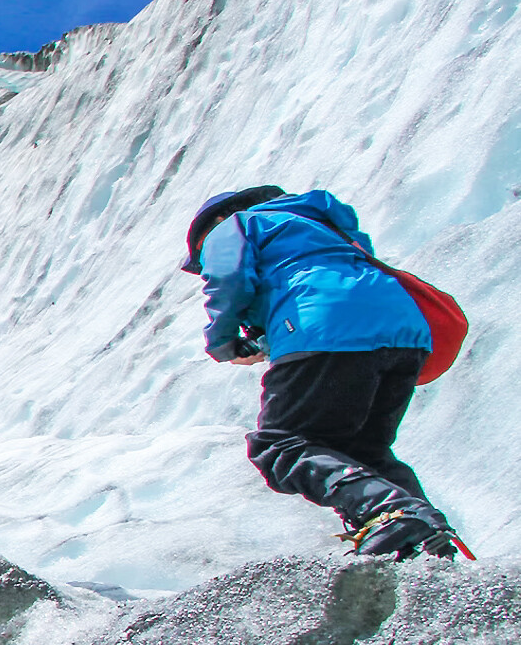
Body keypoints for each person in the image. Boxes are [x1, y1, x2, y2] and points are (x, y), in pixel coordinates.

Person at [181, 186, 456, 558]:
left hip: (325, 326)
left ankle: (390, 515)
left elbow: (228, 279)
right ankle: (427, 539)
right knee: (361, 450)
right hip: (404, 332)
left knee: (280, 446)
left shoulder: (235, 224)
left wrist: (223, 342)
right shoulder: (320, 225)